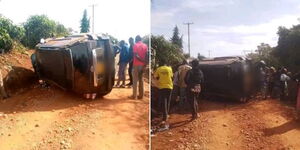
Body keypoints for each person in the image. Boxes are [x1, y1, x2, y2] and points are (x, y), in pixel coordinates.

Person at [154, 60, 173, 126]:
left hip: (162, 87)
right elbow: (171, 76)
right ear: (165, 64)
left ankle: (164, 117)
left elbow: (155, 77)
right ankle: (166, 114)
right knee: (168, 100)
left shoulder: (158, 69)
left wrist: (159, 79)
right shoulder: (169, 69)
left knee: (164, 101)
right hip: (169, 86)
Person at [129, 35, 148, 99]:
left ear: (136, 39)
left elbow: (136, 55)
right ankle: (141, 95)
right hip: (142, 65)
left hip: (136, 64)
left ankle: (134, 96)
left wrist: (142, 60)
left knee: (135, 80)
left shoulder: (135, 45)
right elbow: (146, 55)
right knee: (141, 80)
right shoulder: (145, 45)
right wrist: (145, 63)